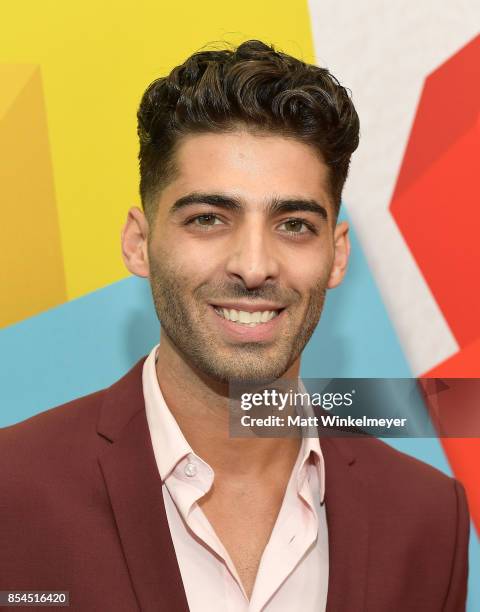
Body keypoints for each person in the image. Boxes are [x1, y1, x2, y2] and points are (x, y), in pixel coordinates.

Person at [0, 40, 469, 612]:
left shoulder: (427, 518)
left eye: (294, 224)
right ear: (139, 242)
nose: (253, 266)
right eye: (208, 219)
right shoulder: (12, 490)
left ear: (337, 255)